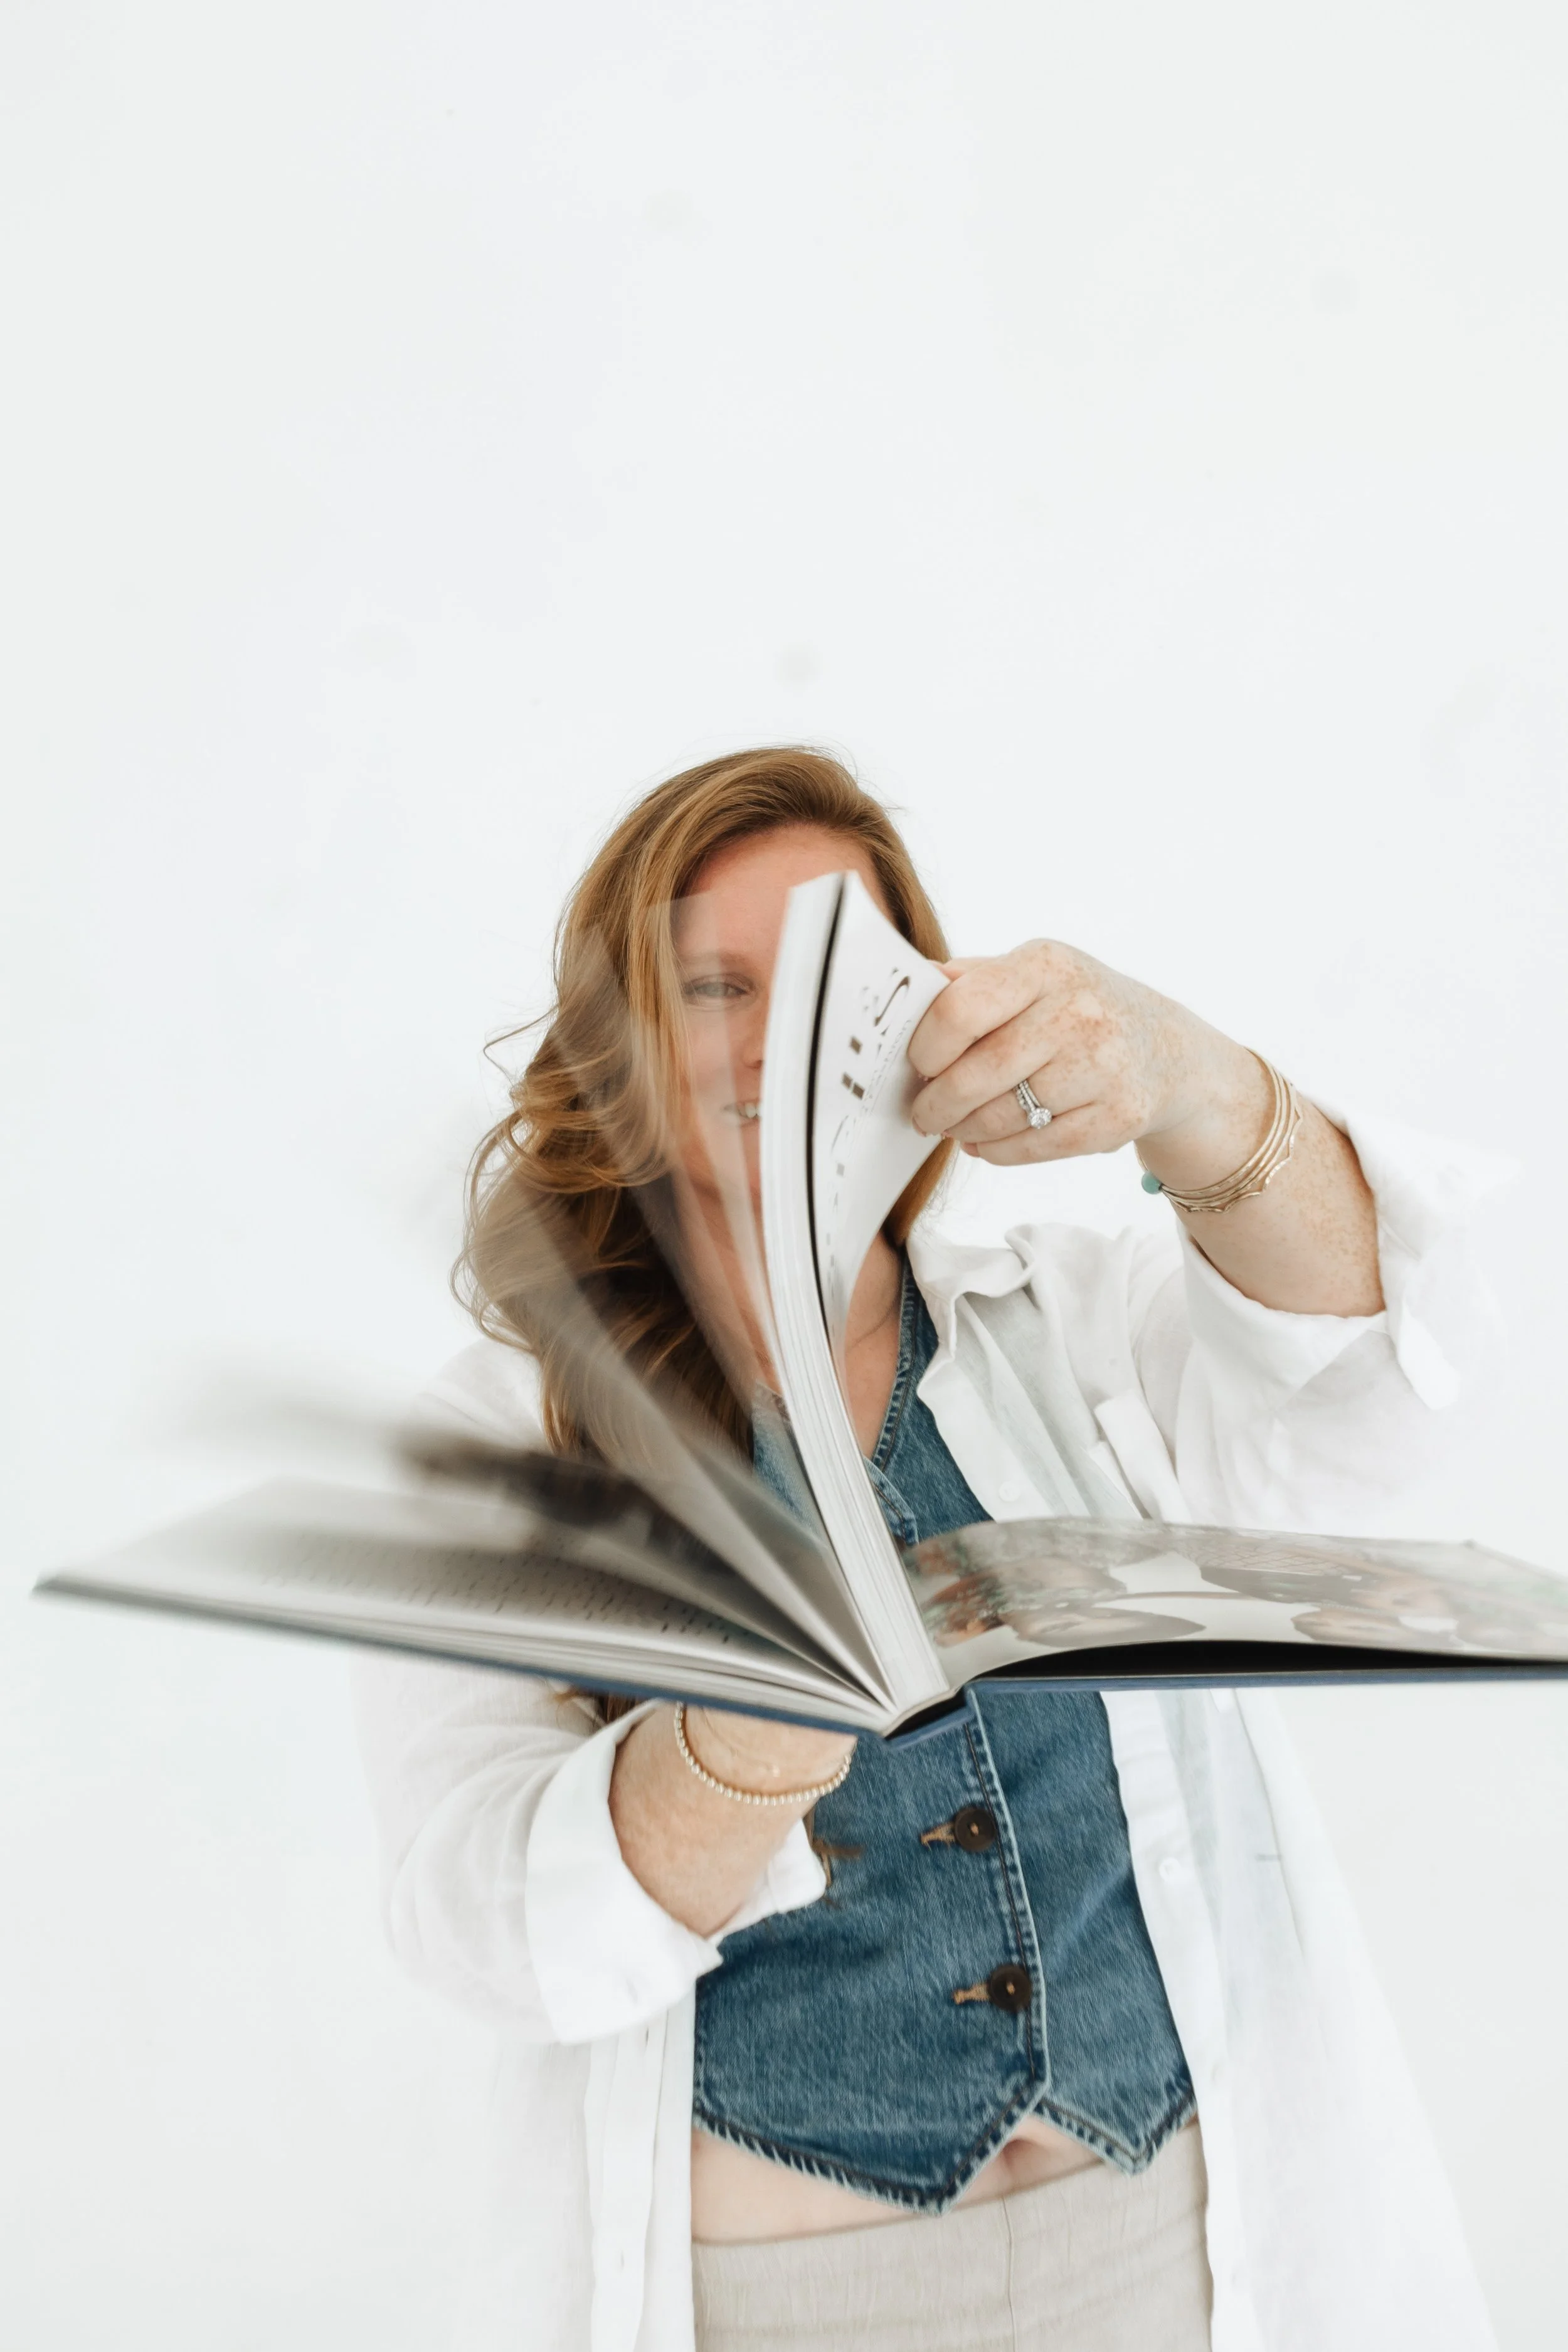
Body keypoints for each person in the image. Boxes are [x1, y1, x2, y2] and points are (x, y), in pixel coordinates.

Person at [352, 748, 1503, 2352]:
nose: (785, 1040)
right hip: (788, 2289)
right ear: (619, 1042)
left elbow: (1366, 1391)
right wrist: (733, 1749)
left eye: (844, 979)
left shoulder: (1066, 1320)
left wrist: (1187, 1082)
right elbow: (480, 1921)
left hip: (1162, 2239)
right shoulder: (500, 1456)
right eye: (713, 987)